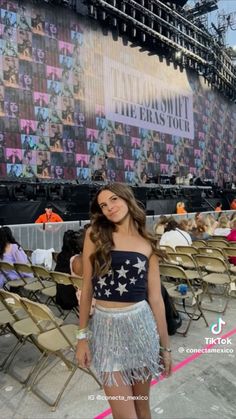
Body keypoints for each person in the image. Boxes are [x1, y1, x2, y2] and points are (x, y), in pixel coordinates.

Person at [76, 183, 171, 419]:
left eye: (114, 200)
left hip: (141, 329)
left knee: (142, 407)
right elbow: (87, 287)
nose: (110, 207)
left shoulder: (147, 242)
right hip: (106, 332)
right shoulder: (94, 234)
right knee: (124, 415)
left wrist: (166, 348)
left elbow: (156, 298)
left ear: (128, 199)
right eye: (103, 205)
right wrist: (81, 337)